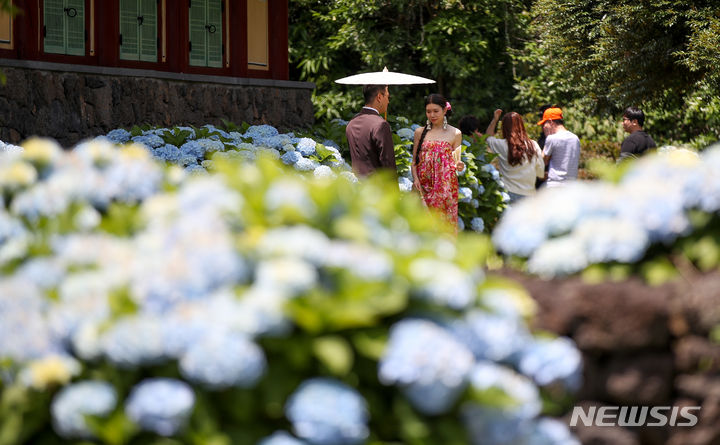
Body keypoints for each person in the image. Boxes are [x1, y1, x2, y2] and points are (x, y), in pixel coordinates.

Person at [412, 94, 465, 230]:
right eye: (428, 111)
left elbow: (457, 162)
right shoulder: (419, 132)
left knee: (443, 229)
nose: (432, 115)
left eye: (436, 111)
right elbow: (414, 162)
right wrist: (416, 179)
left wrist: (460, 165)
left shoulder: (455, 133)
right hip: (422, 187)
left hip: (445, 189)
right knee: (423, 228)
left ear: (444, 110)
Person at [485, 109, 545, 202]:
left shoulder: (501, 145)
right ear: (522, 125)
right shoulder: (533, 145)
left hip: (507, 194)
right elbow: (540, 172)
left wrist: (495, 119)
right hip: (529, 196)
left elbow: (487, 137)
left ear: (504, 128)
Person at [345, 84, 397, 177]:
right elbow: (388, 166)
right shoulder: (380, 125)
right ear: (379, 97)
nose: (388, 101)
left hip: (356, 187)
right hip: (377, 188)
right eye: (388, 97)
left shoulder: (351, 123)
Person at [537, 107, 580, 188]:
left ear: (550, 122)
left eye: (544, 124)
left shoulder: (552, 138)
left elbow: (542, 162)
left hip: (555, 185)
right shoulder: (575, 138)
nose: (544, 127)